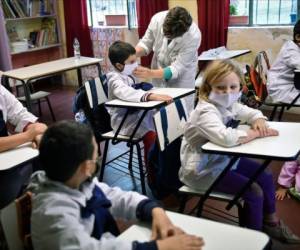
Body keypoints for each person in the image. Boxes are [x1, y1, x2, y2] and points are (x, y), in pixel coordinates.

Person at [29, 121, 204, 250]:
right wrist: (158, 247)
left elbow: (113, 196)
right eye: (96, 154)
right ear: (87, 167)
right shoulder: (53, 213)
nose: (98, 158)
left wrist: (153, 210)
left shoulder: (74, 180)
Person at [178, 59, 300, 244]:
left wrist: (258, 120)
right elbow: (226, 138)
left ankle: (271, 223)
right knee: (254, 191)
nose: (228, 93)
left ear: (240, 87)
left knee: (265, 175)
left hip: (221, 160)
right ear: (208, 88)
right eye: (220, 87)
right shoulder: (205, 111)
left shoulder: (229, 104)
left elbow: (250, 112)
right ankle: (252, 241)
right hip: (201, 170)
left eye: (233, 87)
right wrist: (254, 134)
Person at [107, 41, 173, 161]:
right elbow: (125, 92)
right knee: (152, 136)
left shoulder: (128, 74)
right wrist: (149, 96)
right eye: (131, 62)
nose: (135, 64)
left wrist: (148, 91)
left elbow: (137, 89)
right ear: (119, 65)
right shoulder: (114, 78)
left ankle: (164, 163)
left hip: (136, 116)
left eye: (135, 60)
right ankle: (152, 168)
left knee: (165, 124)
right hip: (124, 122)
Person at [134, 6, 201, 113]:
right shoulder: (157, 19)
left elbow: (176, 69)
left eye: (171, 36)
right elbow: (146, 43)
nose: (167, 38)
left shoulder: (193, 36)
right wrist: (132, 53)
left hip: (182, 77)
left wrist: (150, 73)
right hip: (159, 64)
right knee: (158, 110)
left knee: (181, 111)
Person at [0, 76, 47, 209]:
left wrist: (37, 134)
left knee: (45, 150)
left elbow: (21, 115)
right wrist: (27, 136)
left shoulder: (1, 92)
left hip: (6, 158)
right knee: (9, 188)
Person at [267, 19, 300, 104]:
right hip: (281, 89)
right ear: (298, 37)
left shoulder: (296, 47)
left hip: (290, 86)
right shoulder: (291, 51)